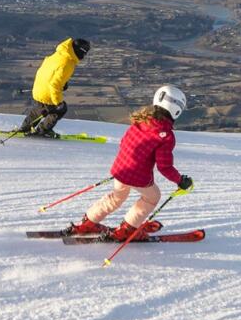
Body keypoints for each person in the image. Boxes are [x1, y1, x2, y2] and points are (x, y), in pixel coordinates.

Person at [71, 85, 193, 241]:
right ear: (177, 110)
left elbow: (124, 143)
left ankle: (87, 224)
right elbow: (164, 167)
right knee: (152, 197)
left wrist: (124, 167)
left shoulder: (141, 121)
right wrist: (180, 180)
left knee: (116, 198)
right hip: (137, 176)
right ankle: (127, 230)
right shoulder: (165, 135)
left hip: (120, 169)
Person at [15, 37, 90, 137]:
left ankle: (25, 128)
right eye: (84, 53)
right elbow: (55, 84)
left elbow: (47, 71)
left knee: (40, 109)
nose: (84, 56)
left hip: (39, 88)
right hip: (47, 91)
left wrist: (63, 84)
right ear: (80, 51)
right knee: (59, 109)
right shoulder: (68, 63)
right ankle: (42, 131)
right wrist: (58, 102)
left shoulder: (59, 54)